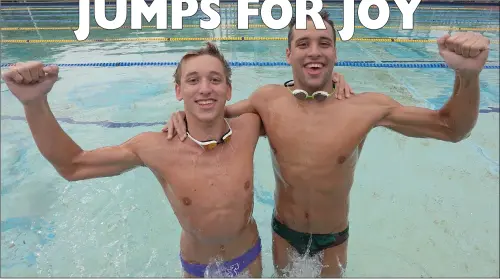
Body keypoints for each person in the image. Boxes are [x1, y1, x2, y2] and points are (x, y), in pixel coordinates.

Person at [162, 11, 490, 277]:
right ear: (288, 53)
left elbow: (452, 128)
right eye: (303, 43)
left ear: (335, 51)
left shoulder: (366, 108)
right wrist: (181, 116)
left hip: (332, 240)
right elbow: (212, 117)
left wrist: (468, 76)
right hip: (283, 233)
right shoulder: (268, 101)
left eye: (324, 43)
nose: (315, 51)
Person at [2, 43, 269, 278]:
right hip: (198, 268)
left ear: (229, 89)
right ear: (178, 91)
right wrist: (34, 103)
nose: (205, 89)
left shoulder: (249, 127)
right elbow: (73, 165)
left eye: (215, 80)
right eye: (193, 80)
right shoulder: (156, 147)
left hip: (248, 257)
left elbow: (294, 105)